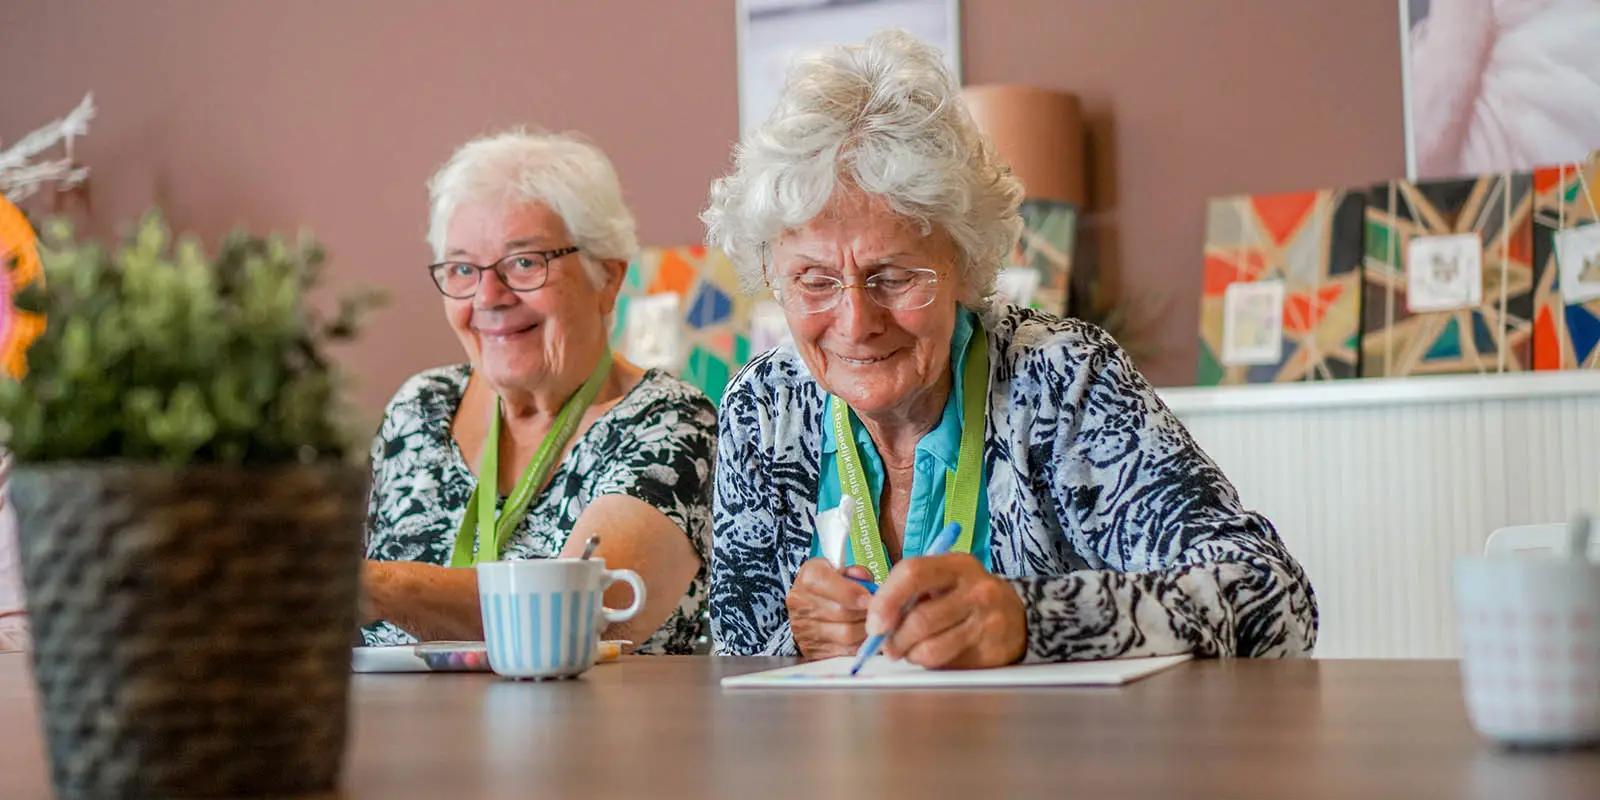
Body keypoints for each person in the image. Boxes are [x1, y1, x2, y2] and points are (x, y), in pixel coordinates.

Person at [702, 30, 1317, 667]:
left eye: (895, 276)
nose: (855, 322)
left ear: (965, 264)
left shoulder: (1060, 381)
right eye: (815, 281)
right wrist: (801, 642)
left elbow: (1273, 602)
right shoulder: (765, 408)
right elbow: (734, 656)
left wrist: (1031, 621)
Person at [361, 130, 716, 654]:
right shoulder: (420, 410)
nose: (488, 296)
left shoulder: (672, 424)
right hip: (407, 735)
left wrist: (376, 587)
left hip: (590, 735)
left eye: (524, 263)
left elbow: (584, 611)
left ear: (608, 278)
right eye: (462, 269)